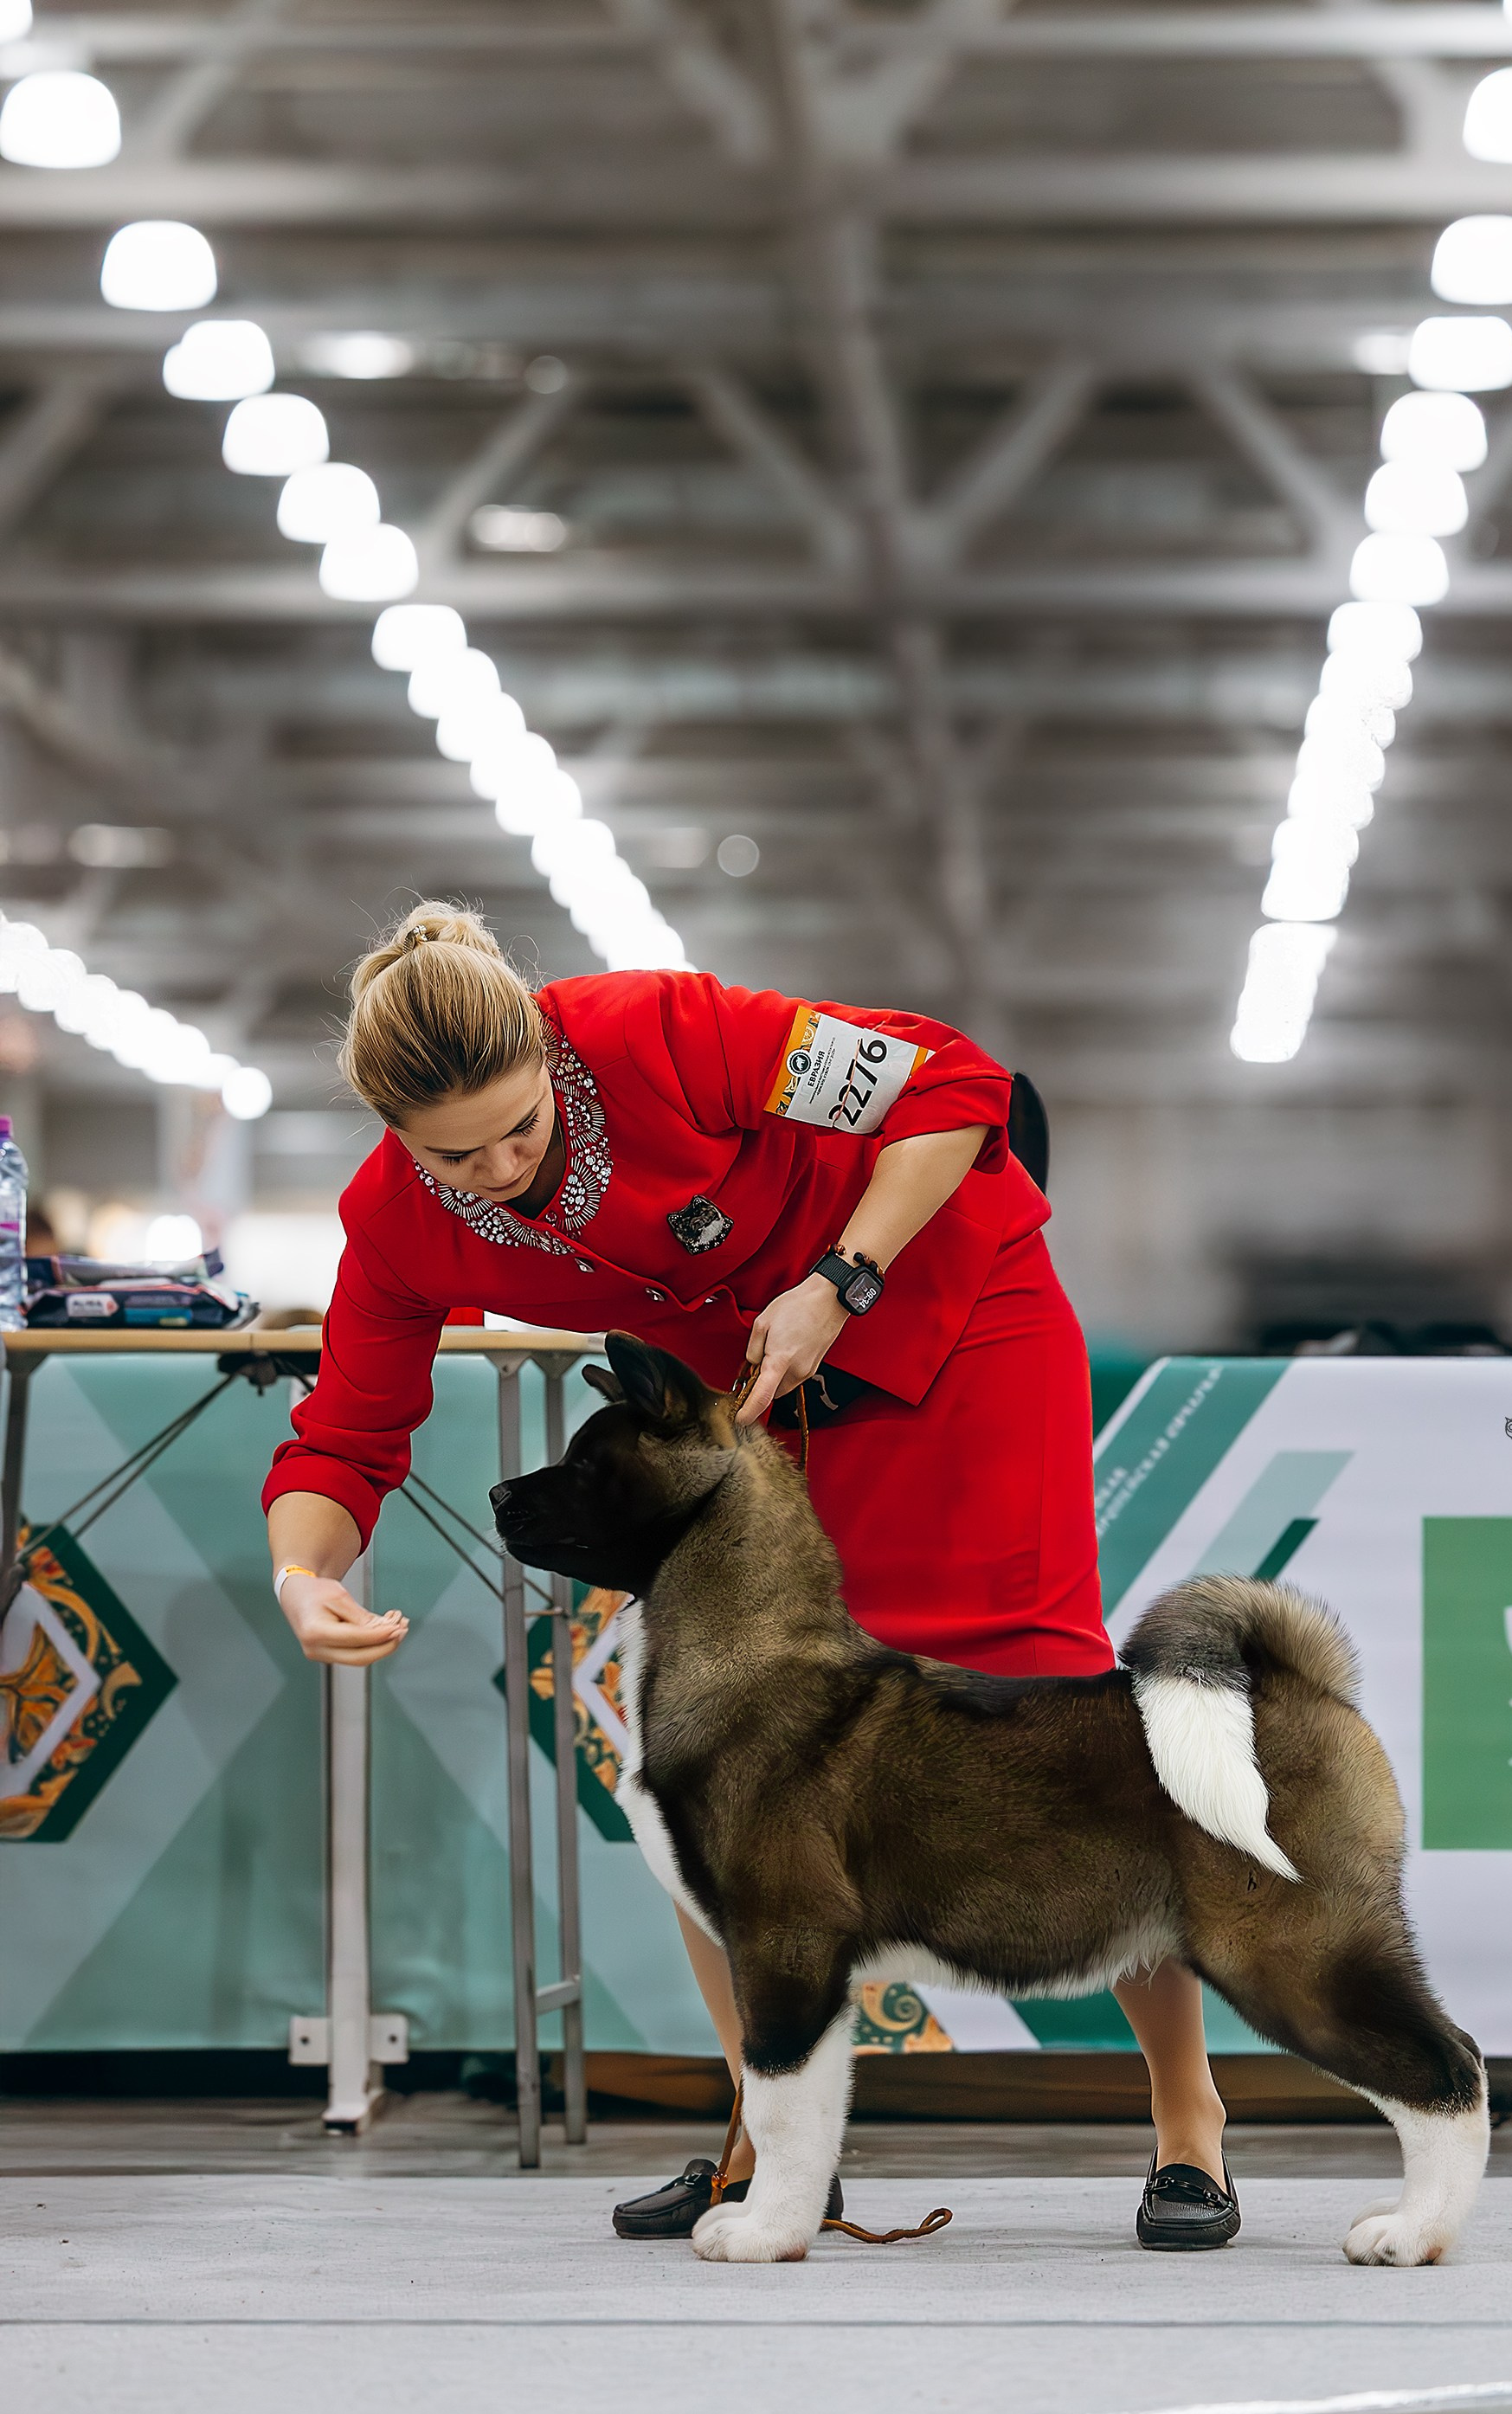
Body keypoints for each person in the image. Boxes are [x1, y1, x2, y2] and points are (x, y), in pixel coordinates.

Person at [264, 904, 1239, 2250]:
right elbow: (347, 1431)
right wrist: (301, 1575)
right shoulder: (395, 1220)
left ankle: (1189, 2120)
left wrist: (844, 1275)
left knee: (1051, 1731)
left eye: (522, 1131)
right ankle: (771, 2141)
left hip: (956, 1333)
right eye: (454, 1153)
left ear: (550, 1055)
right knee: (718, 1771)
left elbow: (956, 1089)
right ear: (394, 1135)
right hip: (749, 1426)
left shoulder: (666, 1033)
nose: (495, 1168)